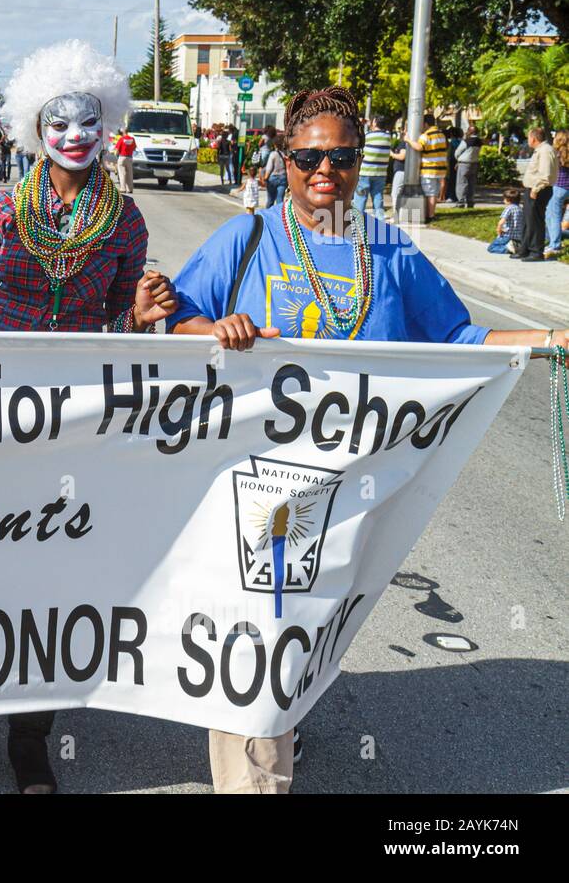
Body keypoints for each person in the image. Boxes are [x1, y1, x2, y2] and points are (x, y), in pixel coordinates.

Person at [166, 88, 568, 793]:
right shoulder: (248, 238)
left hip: (354, 489)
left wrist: (547, 339)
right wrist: (212, 330)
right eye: (309, 156)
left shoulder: (389, 248)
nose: (326, 170)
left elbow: (456, 338)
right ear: (283, 158)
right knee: (260, 634)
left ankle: (283, 716)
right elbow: (176, 322)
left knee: (305, 632)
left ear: (360, 163)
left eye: (342, 157)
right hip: (259, 484)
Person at [0, 40, 177, 793]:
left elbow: (123, 316)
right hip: (5, 410)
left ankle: (31, 735)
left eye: (89, 121)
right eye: (60, 122)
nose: (75, 135)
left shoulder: (124, 219)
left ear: (106, 123)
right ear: (35, 128)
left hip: (85, 417)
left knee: (58, 574)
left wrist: (143, 314)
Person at [516, 126, 557, 262]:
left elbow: (545, 174)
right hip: (532, 189)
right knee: (528, 220)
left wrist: (535, 189)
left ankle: (536, 251)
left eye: (528, 137)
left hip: (539, 190)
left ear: (533, 138)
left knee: (535, 221)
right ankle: (525, 249)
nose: (528, 140)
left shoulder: (545, 151)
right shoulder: (540, 150)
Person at [404, 112, 448, 221]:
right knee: (435, 192)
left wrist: (408, 140)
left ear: (425, 124)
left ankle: (430, 215)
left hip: (429, 169)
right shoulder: (441, 135)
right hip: (440, 169)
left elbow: (419, 147)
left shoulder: (426, 135)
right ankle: (432, 212)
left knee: (430, 193)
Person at [352, 114, 392, 220]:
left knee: (361, 198)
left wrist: (362, 123)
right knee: (378, 197)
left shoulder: (368, 136)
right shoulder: (388, 137)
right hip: (381, 173)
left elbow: (359, 139)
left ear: (374, 122)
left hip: (365, 172)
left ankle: (358, 221)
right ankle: (380, 219)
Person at [545, 130, 569, 260]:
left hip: (558, 187)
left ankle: (554, 244)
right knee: (550, 213)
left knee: (553, 215)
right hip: (566, 187)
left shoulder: (556, 154)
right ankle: (554, 239)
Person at [487, 187, 524, 255]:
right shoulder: (520, 209)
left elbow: (501, 222)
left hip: (507, 235)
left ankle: (508, 249)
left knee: (491, 247)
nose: (503, 200)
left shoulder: (508, 208)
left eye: (504, 199)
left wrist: (499, 230)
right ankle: (517, 246)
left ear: (508, 200)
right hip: (518, 236)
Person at [455, 126, 481, 209]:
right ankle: (470, 202)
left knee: (462, 183)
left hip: (464, 163)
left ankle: (461, 202)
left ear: (470, 132)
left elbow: (457, 152)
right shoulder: (479, 141)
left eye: (468, 130)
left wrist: (458, 160)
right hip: (475, 163)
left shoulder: (466, 141)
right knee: (471, 184)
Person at [114, 126, 136, 193]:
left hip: (122, 157)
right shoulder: (132, 139)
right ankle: (130, 189)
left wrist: (116, 156)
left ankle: (123, 188)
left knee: (122, 173)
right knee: (130, 174)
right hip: (129, 158)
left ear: (123, 131)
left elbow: (117, 150)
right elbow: (134, 148)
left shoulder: (121, 139)